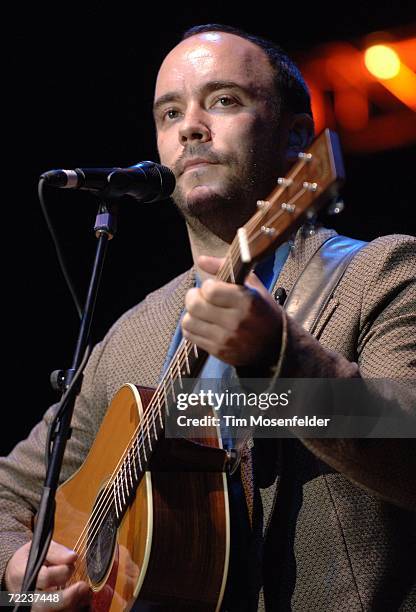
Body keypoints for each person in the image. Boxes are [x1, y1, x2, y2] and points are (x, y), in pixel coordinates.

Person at [1, 24, 415, 612]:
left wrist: (284, 359)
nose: (191, 125)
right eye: (170, 113)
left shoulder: (379, 273)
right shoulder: (133, 334)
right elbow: (7, 494)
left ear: (298, 138)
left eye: (224, 101)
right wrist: (20, 567)